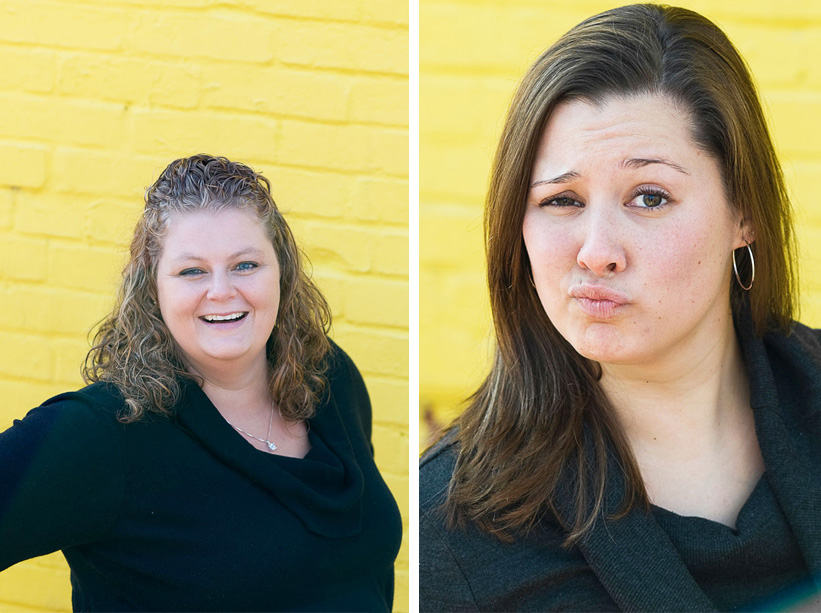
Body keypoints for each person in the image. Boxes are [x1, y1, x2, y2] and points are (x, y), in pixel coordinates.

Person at [420, 4, 821, 611]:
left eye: (650, 197)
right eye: (561, 200)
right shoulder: (454, 525)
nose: (597, 252)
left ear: (744, 213)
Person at [0, 154, 402, 612]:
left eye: (245, 265)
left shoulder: (327, 377)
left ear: (282, 272)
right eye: (192, 271)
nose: (222, 291)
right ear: (152, 288)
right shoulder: (103, 433)